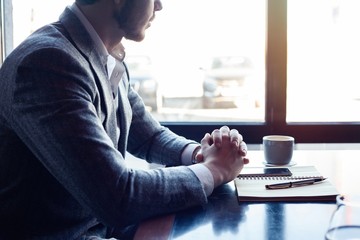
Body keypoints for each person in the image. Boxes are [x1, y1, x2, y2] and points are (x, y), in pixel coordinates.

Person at [0, 0, 249, 239]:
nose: (160, 5)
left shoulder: (104, 54)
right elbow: (117, 195)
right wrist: (213, 170)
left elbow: (149, 137)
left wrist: (199, 153)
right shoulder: (47, 62)